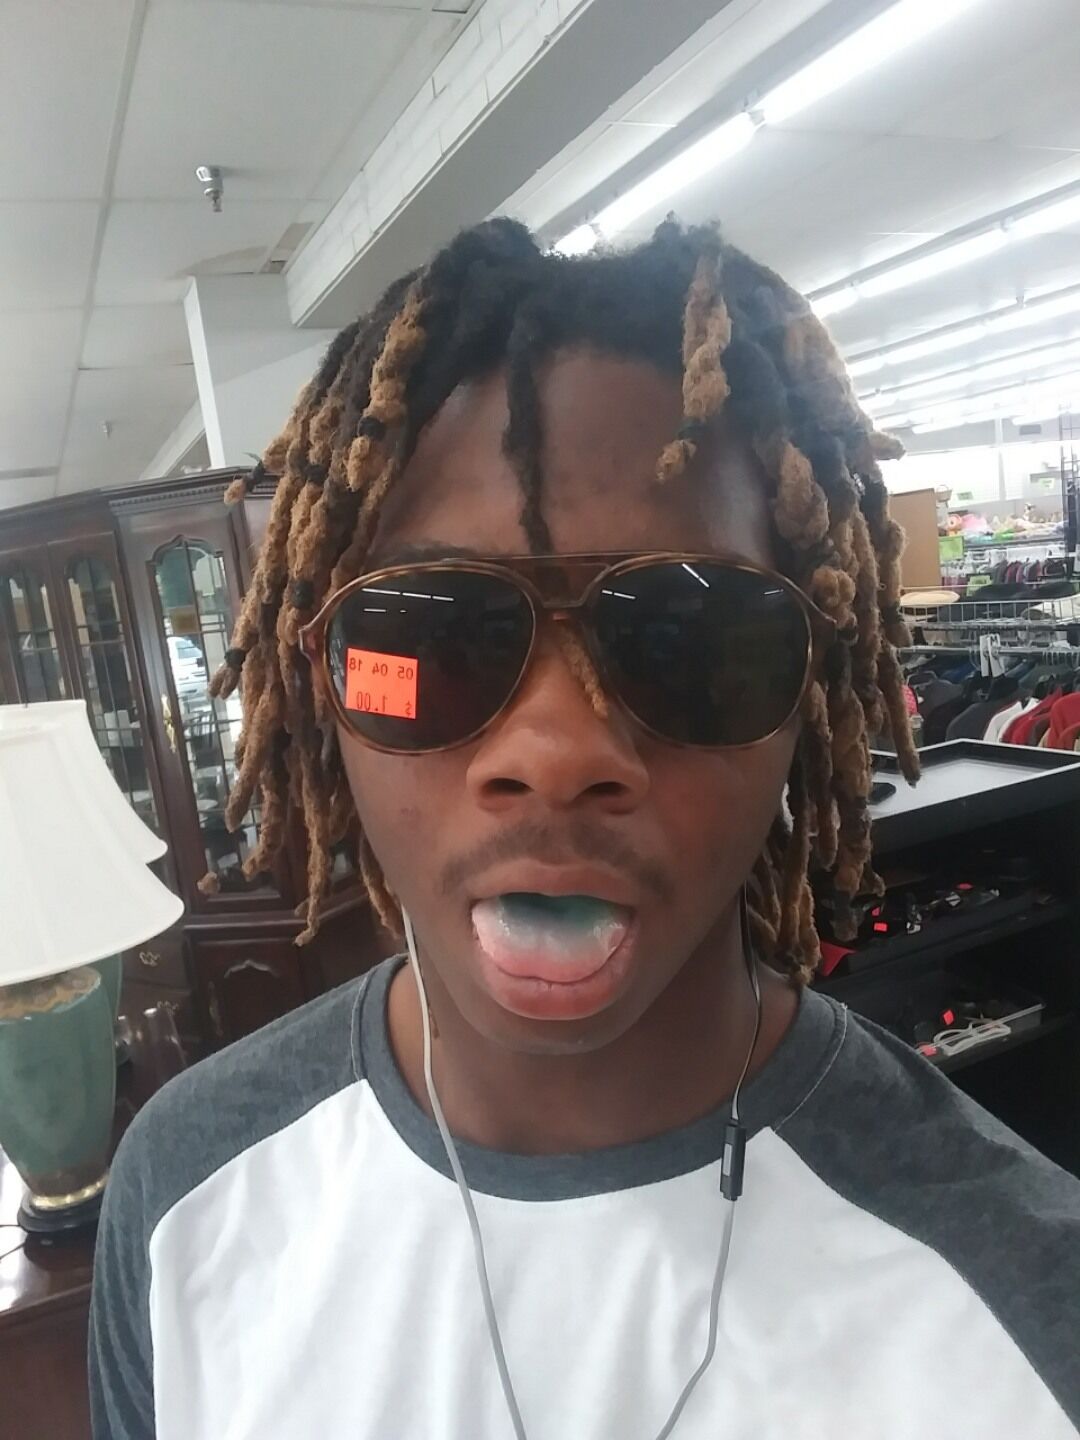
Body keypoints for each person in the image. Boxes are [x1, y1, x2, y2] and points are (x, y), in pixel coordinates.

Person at [89, 220, 1080, 1439]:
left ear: (813, 695)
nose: (556, 753)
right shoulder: (184, 1197)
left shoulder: (1028, 1317)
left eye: (691, 639)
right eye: (434, 630)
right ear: (320, 687)